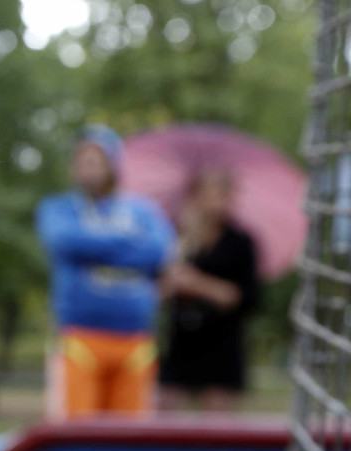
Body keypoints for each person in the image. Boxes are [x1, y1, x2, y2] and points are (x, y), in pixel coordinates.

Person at [37, 125, 175, 419]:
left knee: (130, 438)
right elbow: (64, 241)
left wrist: (94, 250)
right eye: (83, 161)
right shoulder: (58, 209)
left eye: (97, 160)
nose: (90, 168)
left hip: (135, 343)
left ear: (113, 164)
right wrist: (126, 241)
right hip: (80, 340)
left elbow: (159, 251)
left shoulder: (142, 211)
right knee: (76, 434)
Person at [159, 169, 259, 411]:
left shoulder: (240, 242)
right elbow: (160, 285)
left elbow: (248, 297)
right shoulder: (177, 236)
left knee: (217, 419)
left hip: (222, 344)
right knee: (164, 412)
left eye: (223, 194)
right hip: (181, 340)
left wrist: (198, 284)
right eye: (211, 193)